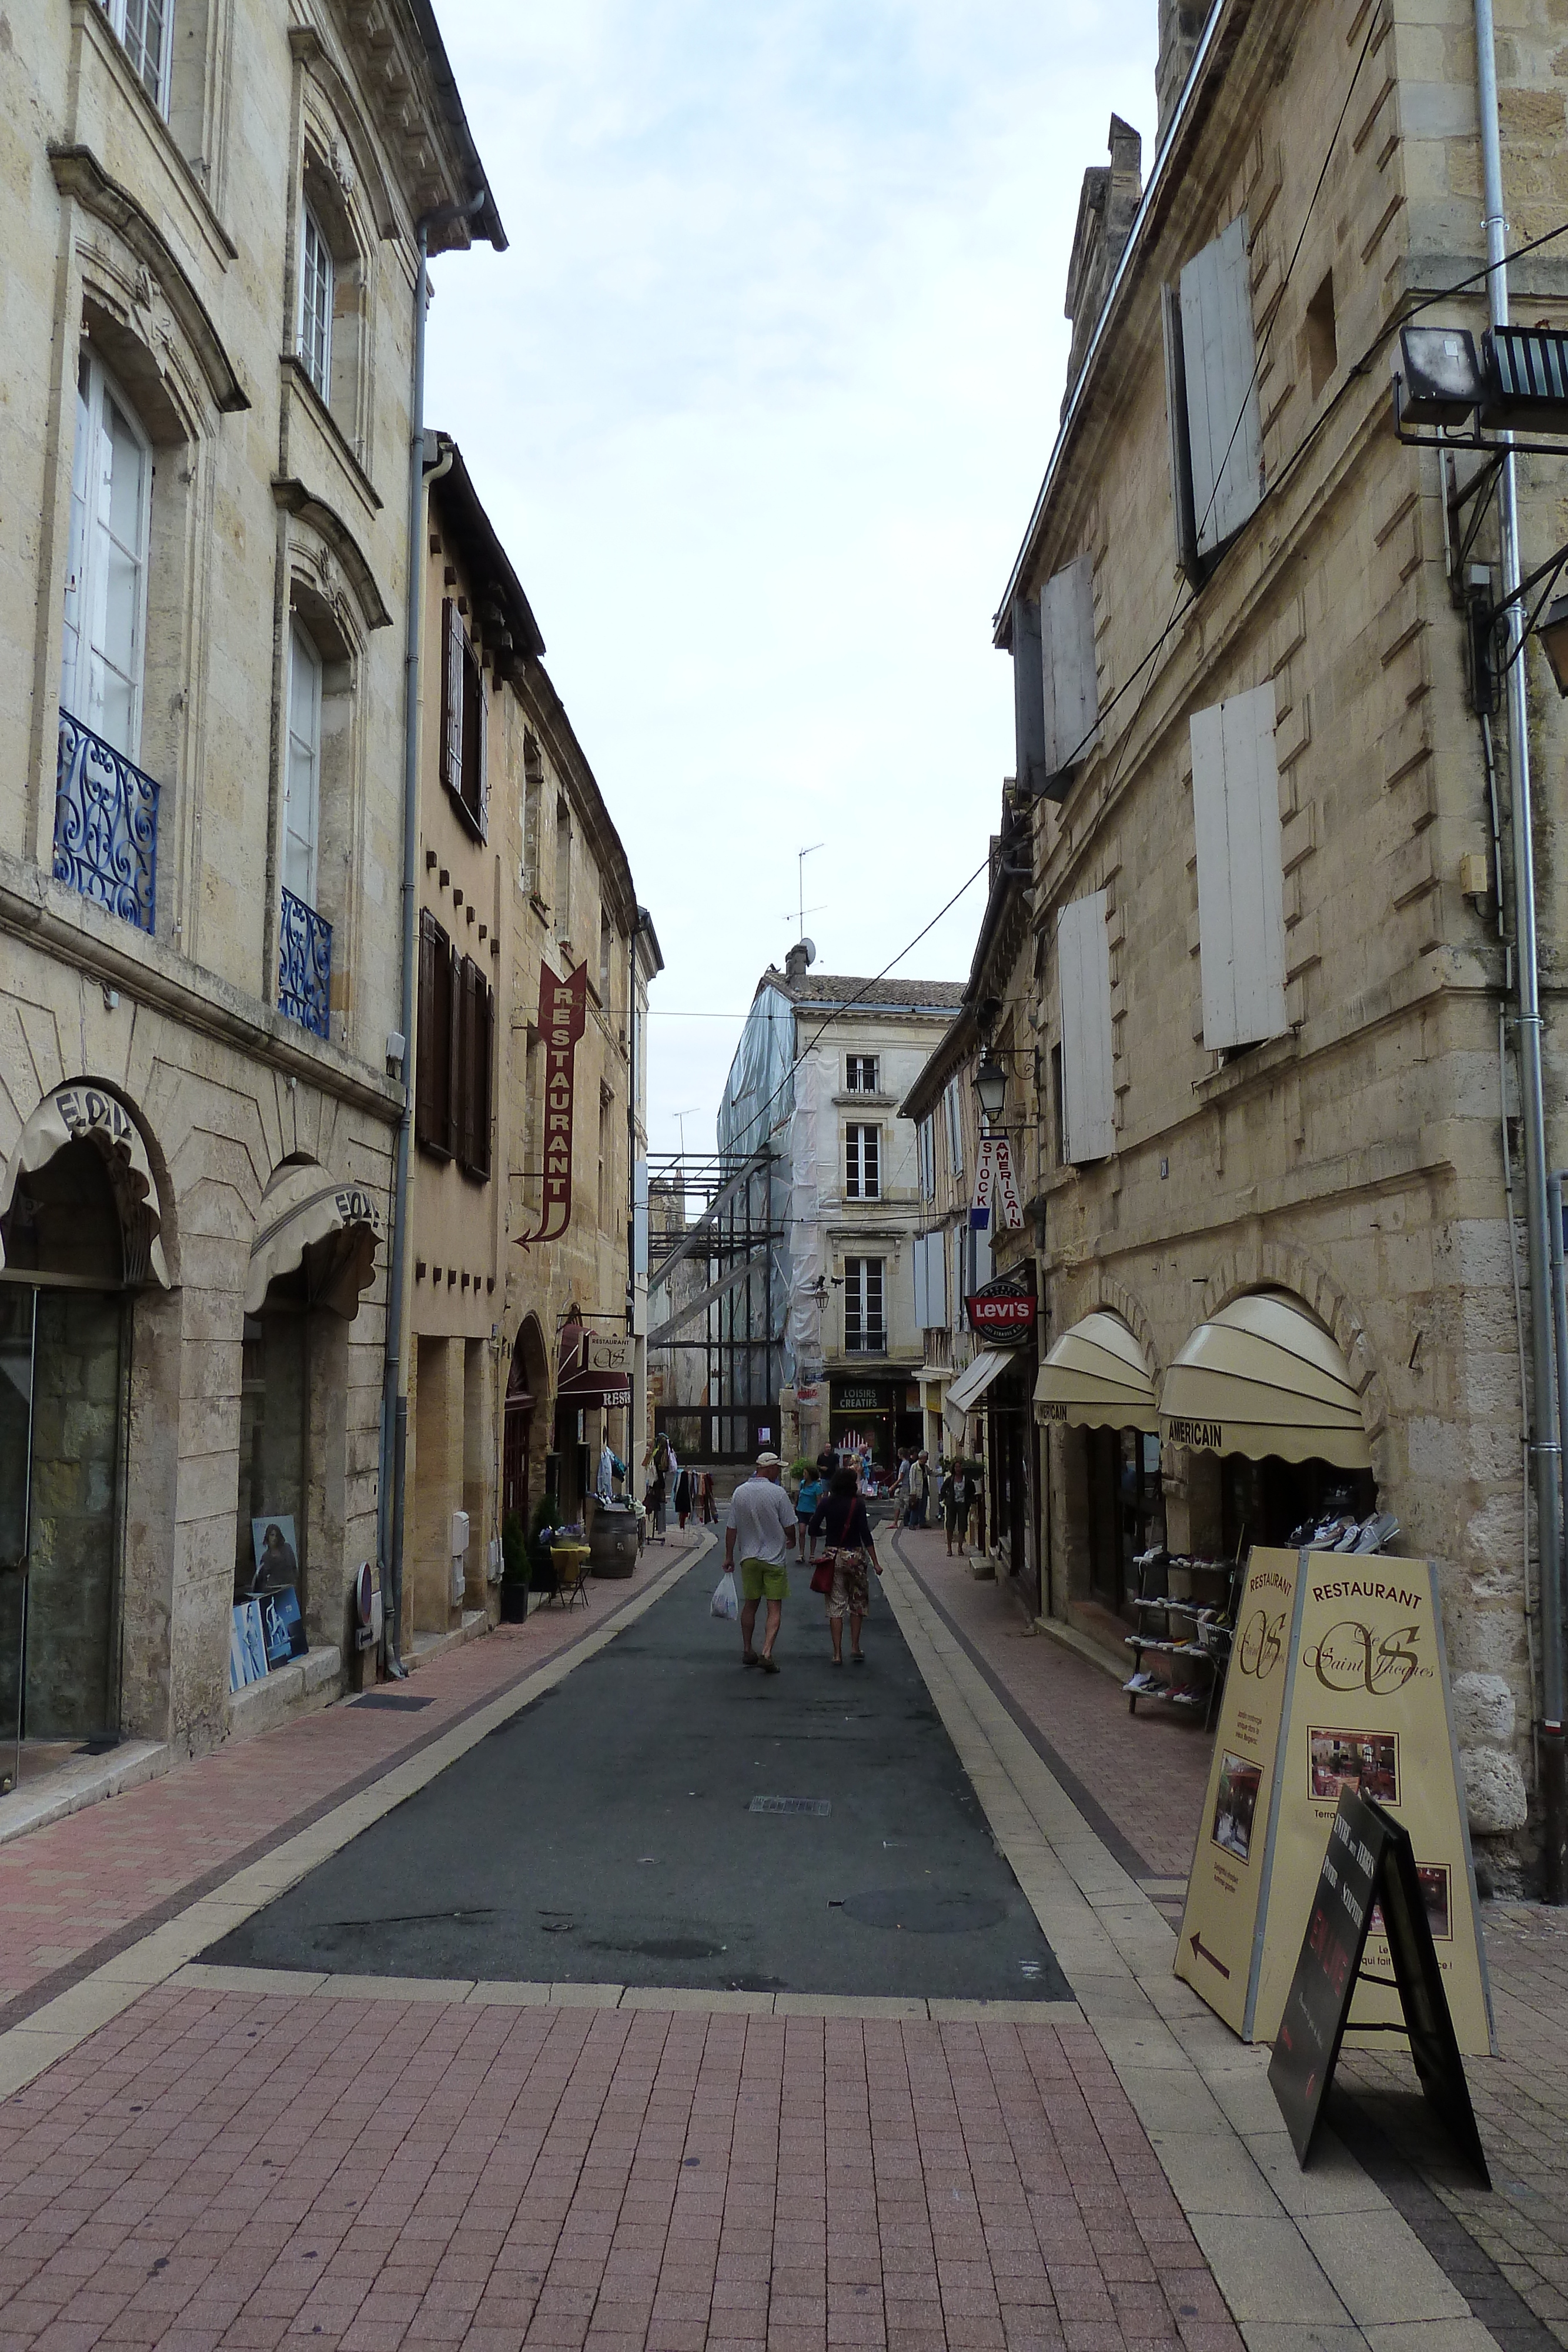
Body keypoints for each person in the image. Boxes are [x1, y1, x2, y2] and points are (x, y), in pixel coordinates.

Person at [724, 1450, 798, 1673]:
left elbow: (731, 1528)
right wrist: (792, 1539)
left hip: (749, 1557)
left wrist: (729, 1556)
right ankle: (766, 1652)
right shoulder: (777, 1493)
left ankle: (748, 1649)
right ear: (770, 1468)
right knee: (774, 1606)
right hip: (774, 1558)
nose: (779, 1472)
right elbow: (789, 1524)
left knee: (750, 1604)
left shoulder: (740, 1493)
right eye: (778, 1468)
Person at [808, 1466, 882, 1665]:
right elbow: (865, 1533)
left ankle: (837, 1653)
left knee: (836, 1605)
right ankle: (855, 1647)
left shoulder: (826, 1502)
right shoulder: (857, 1504)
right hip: (854, 1555)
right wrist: (875, 1562)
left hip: (833, 1555)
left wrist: (828, 1533)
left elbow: (813, 1528)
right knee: (857, 1602)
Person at [795, 1462, 825, 1555]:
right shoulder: (802, 1483)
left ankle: (812, 1554)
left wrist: (817, 1514)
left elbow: (819, 1502)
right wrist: (795, 1505)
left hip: (812, 1512)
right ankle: (801, 1553)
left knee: (813, 1534)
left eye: (805, 1473)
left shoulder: (817, 1487)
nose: (804, 1475)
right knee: (802, 1532)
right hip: (801, 1510)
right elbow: (798, 1495)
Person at [674, 1464, 693, 1531]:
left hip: (682, 1498)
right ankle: (682, 1523)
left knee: (683, 1511)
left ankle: (682, 1523)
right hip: (685, 1498)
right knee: (684, 1511)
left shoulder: (681, 1476)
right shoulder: (684, 1476)